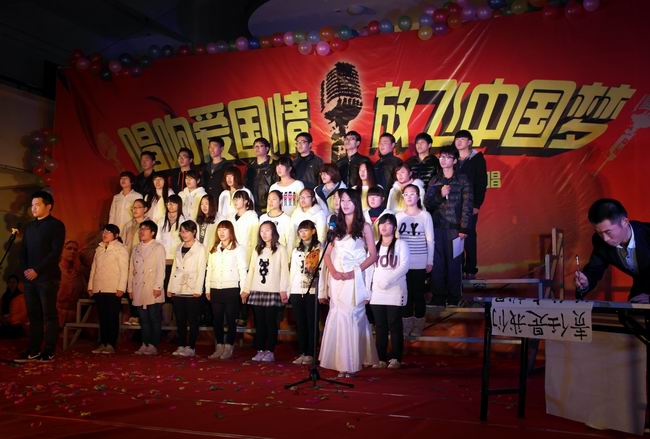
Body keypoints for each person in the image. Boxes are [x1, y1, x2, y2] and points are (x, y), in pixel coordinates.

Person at [318, 189, 378, 377]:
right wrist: (334, 272)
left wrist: (355, 272)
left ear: (356, 203)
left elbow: (373, 255)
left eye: (348, 201)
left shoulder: (365, 227)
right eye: (342, 200)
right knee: (338, 316)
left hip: (355, 278)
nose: (344, 204)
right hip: (337, 279)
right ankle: (340, 364)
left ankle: (351, 363)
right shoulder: (336, 227)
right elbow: (327, 254)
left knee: (352, 315)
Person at [16, 191, 65, 363]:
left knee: (49, 315)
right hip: (29, 278)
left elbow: (55, 253)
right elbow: (23, 251)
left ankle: (49, 350)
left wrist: (37, 270)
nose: (33, 208)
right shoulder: (29, 227)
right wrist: (25, 270)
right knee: (33, 315)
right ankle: (34, 349)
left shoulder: (56, 225)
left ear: (48, 206)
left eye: (37, 205)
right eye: (32, 205)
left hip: (47, 277)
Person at [575, 199, 650, 303]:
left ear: (624, 222)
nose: (605, 239)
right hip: (640, 292)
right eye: (599, 233)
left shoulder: (647, 234)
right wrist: (586, 281)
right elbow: (594, 269)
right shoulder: (599, 241)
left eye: (608, 232)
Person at [425, 146, 473, 306]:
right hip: (437, 227)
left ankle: (454, 297)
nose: (443, 160)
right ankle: (438, 297)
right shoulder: (435, 180)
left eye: (447, 157)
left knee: (454, 264)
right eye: (441, 157)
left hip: (455, 229)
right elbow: (427, 204)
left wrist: (464, 228)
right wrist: (440, 194)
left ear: (455, 160)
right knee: (437, 264)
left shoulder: (463, 180)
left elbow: (467, 205)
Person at [242, 221, 289, 363]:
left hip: (273, 291)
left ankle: (270, 351)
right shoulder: (258, 249)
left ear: (273, 232)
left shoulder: (281, 249)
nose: (264, 234)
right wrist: (246, 289)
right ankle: (260, 350)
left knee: (271, 322)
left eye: (267, 230)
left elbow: (284, 271)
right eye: (261, 231)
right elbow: (252, 270)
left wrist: (283, 290)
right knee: (259, 323)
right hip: (257, 290)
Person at [366, 214, 409, 369]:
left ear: (394, 227)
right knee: (380, 326)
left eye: (388, 224)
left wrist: (389, 280)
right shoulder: (374, 246)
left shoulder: (401, 244)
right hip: (377, 293)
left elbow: (404, 266)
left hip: (395, 291)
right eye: (382, 224)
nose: (384, 227)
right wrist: (367, 291)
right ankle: (381, 358)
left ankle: (396, 357)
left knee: (394, 325)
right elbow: (368, 270)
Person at [205, 220, 248, 360]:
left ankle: (229, 347)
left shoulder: (238, 249)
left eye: (225, 229)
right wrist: (207, 288)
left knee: (230, 319)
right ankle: (219, 346)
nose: (221, 232)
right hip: (215, 288)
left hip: (231, 289)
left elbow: (242, 270)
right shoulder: (214, 249)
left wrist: (244, 290)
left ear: (231, 232)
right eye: (219, 229)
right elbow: (209, 269)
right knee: (217, 319)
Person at [396, 184, 434, 338]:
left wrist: (430, 261)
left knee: (418, 295)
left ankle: (418, 326)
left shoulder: (425, 216)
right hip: (403, 263)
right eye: (406, 194)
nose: (409, 197)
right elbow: (396, 240)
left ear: (418, 197)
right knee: (404, 295)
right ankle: (406, 326)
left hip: (419, 262)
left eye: (412, 194)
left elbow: (430, 240)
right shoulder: (398, 216)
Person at [87, 224, 129, 354]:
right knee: (102, 317)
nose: (105, 234)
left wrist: (121, 288)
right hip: (99, 287)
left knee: (112, 317)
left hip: (113, 288)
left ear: (116, 235)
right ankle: (103, 343)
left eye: (109, 232)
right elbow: (94, 269)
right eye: (104, 232)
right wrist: (91, 286)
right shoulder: (99, 249)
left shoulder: (121, 249)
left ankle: (111, 344)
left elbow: (124, 270)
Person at [168, 221, 207, 358]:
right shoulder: (179, 247)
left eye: (186, 231)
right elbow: (174, 268)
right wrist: (170, 287)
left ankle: (191, 346)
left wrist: (198, 289)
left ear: (194, 232)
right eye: (182, 231)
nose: (183, 234)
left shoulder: (200, 248)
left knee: (193, 320)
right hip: (178, 287)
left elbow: (201, 269)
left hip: (192, 288)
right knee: (180, 319)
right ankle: (181, 344)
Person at [128, 220, 166, 355]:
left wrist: (158, 287)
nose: (142, 231)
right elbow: (131, 269)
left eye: (145, 229)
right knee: (143, 319)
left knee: (154, 317)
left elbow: (161, 269)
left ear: (153, 232)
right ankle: (144, 343)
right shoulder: (136, 248)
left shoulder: (158, 247)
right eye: (141, 229)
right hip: (139, 287)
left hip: (152, 287)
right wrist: (130, 288)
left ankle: (153, 344)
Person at [453, 130, 487, 280]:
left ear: (469, 142)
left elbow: (481, 183)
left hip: (470, 204)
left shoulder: (477, 159)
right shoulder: (453, 159)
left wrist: (477, 204)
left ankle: (471, 268)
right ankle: (458, 268)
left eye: (462, 139)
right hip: (453, 205)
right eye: (457, 139)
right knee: (455, 235)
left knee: (469, 234)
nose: (459, 142)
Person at [288, 220, 321, 365]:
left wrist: (323, 291)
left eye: (306, 230)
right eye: (300, 231)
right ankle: (302, 352)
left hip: (313, 290)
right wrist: (290, 290)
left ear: (313, 231)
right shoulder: (297, 250)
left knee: (312, 323)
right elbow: (293, 272)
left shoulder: (320, 248)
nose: (303, 233)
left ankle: (311, 353)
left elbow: (323, 270)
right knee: (300, 323)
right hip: (297, 290)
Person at [56, 240, 85, 327]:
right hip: (55, 316)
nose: (72, 251)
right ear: (61, 251)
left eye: (75, 250)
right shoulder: (54, 271)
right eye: (69, 248)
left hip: (73, 319)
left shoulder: (79, 274)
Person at [245, 137, 277, 215]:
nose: (257, 148)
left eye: (261, 146)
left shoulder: (273, 165)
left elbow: (277, 185)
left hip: (268, 207)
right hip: (252, 207)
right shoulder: (250, 167)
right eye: (256, 146)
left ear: (267, 148)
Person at [228, 190, 259, 263]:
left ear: (245, 201)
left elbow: (254, 240)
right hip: (231, 254)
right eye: (234, 199)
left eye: (238, 198)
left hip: (245, 254)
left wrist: (252, 257)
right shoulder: (230, 217)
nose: (235, 201)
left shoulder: (252, 217)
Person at [202, 137, 232, 204]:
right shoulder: (205, 167)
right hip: (207, 203)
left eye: (214, 146)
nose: (211, 149)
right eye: (210, 147)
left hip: (222, 202)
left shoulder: (228, 166)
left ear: (221, 149)